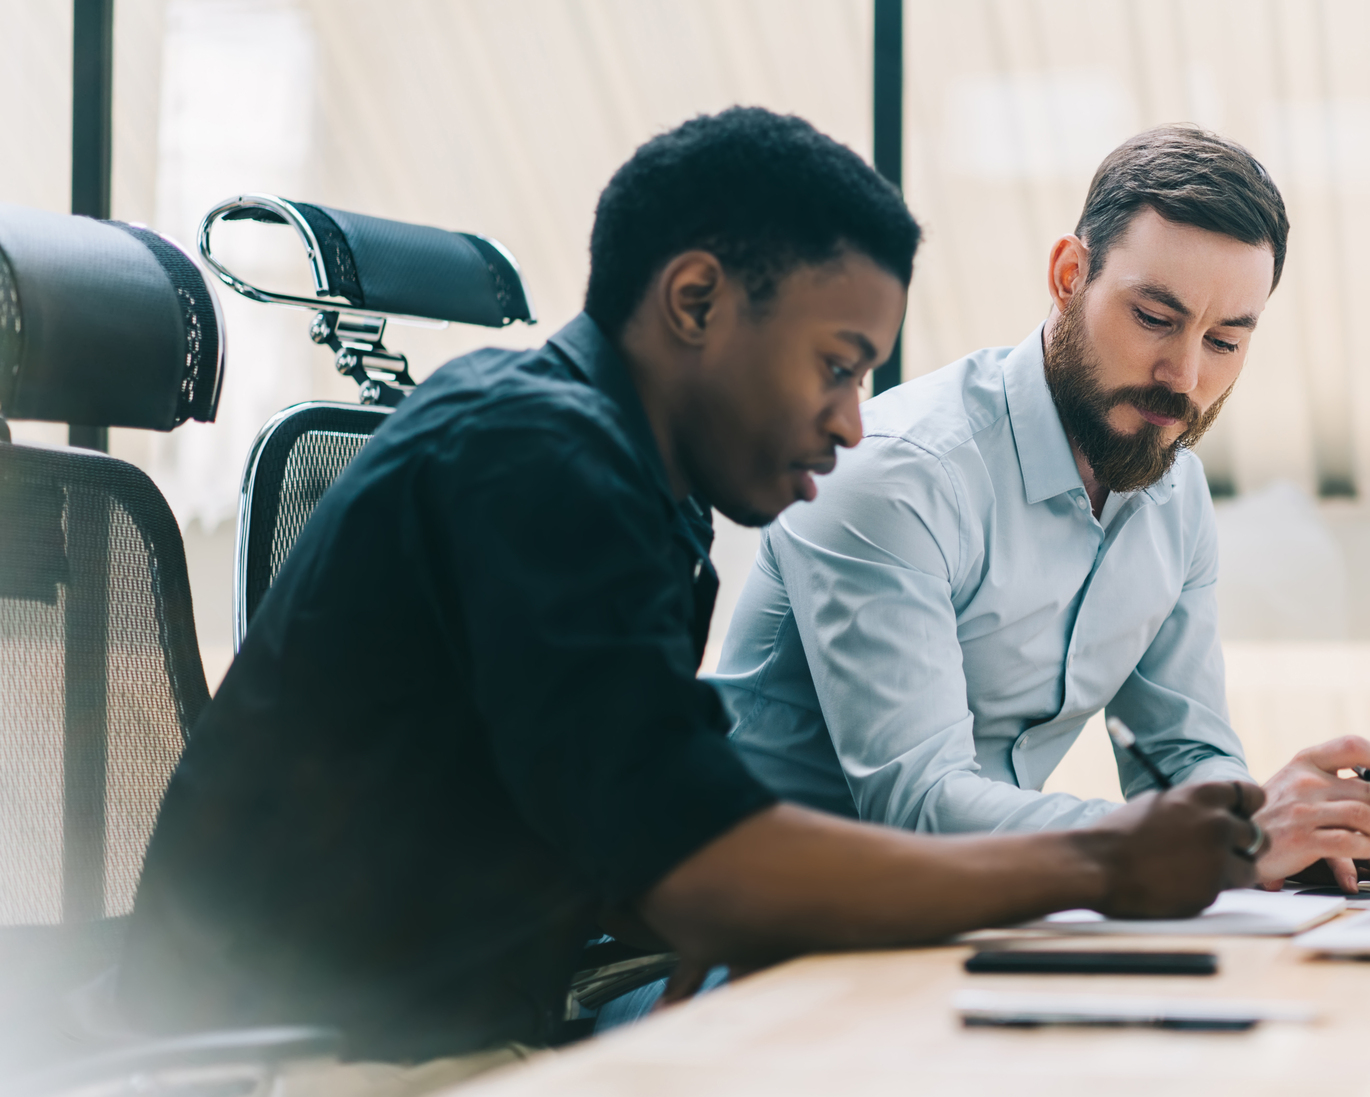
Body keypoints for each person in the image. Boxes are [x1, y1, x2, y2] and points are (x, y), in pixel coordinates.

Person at [115, 108, 1262, 1091]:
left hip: (449, 1028)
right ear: (698, 301)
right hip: (310, 1060)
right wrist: (1104, 862)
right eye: (836, 363)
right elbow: (703, 855)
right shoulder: (538, 458)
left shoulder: (634, 490)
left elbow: (649, 828)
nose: (856, 420)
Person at [716, 125, 1370, 895]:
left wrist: (1288, 834)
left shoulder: (1172, 492)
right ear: (1067, 275)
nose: (1182, 375)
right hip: (754, 934)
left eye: (1224, 340)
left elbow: (1183, 755)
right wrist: (1235, 837)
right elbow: (913, 806)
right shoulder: (898, 475)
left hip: (966, 919)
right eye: (1154, 318)